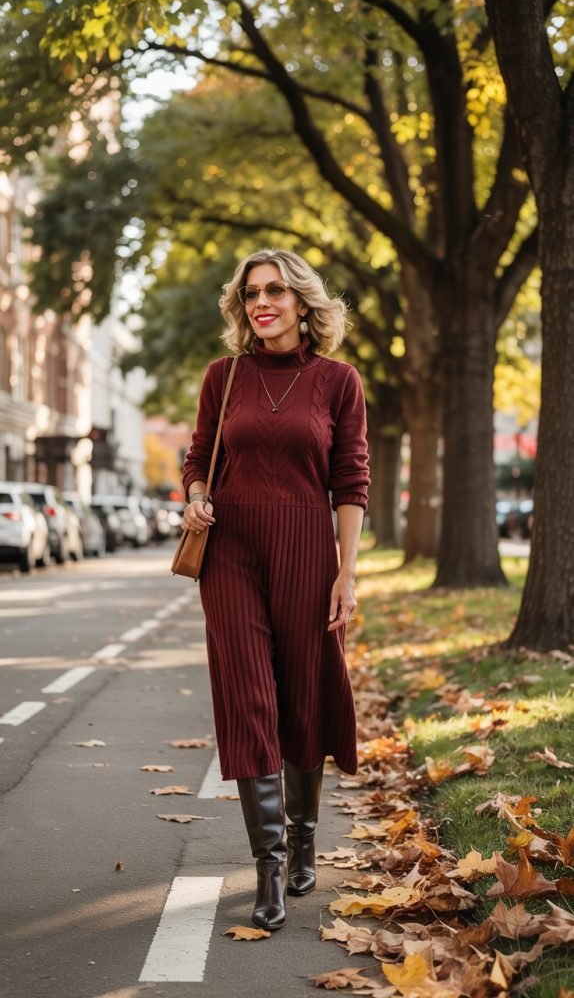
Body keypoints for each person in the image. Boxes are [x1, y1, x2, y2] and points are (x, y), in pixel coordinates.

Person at [181, 249, 370, 931]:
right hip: (229, 551)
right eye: (252, 293)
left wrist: (346, 572)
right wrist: (197, 497)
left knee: (302, 695)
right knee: (251, 699)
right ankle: (268, 864)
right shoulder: (223, 376)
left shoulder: (338, 382)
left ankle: (305, 838)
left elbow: (350, 482)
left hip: (306, 550)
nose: (262, 302)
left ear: (302, 303)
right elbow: (200, 458)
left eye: (276, 291)